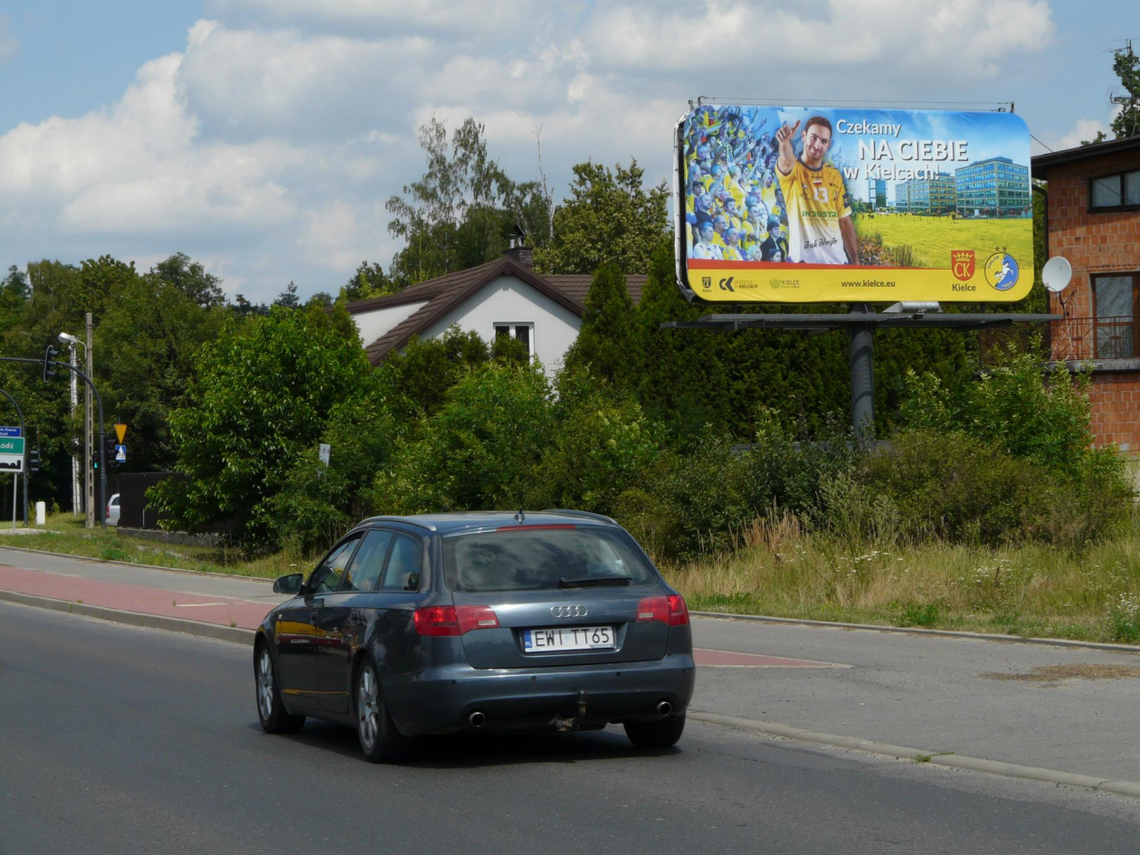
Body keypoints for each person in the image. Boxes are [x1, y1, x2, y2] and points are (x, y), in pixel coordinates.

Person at [774, 116, 858, 265]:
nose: (817, 145)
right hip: (803, 265)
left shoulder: (834, 175)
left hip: (837, 264)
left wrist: (856, 261)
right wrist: (784, 142)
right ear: (804, 136)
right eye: (813, 138)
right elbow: (786, 159)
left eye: (823, 141)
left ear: (828, 146)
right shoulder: (793, 170)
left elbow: (844, 220)